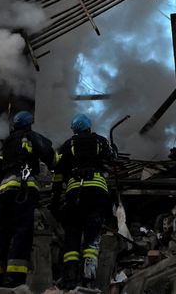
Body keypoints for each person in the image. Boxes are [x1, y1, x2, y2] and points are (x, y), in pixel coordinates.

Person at [0, 110, 55, 291]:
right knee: (22, 233)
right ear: (29, 124)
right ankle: (15, 282)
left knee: (1, 235)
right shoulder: (31, 137)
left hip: (4, 192)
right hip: (24, 190)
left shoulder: (6, 145)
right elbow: (51, 157)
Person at [52, 113, 116, 288]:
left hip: (74, 192)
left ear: (74, 130)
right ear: (89, 127)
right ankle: (89, 278)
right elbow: (112, 159)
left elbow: (58, 173)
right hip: (97, 192)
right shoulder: (101, 141)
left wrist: (55, 199)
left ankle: (70, 279)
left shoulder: (67, 145)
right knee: (92, 234)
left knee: (72, 234)